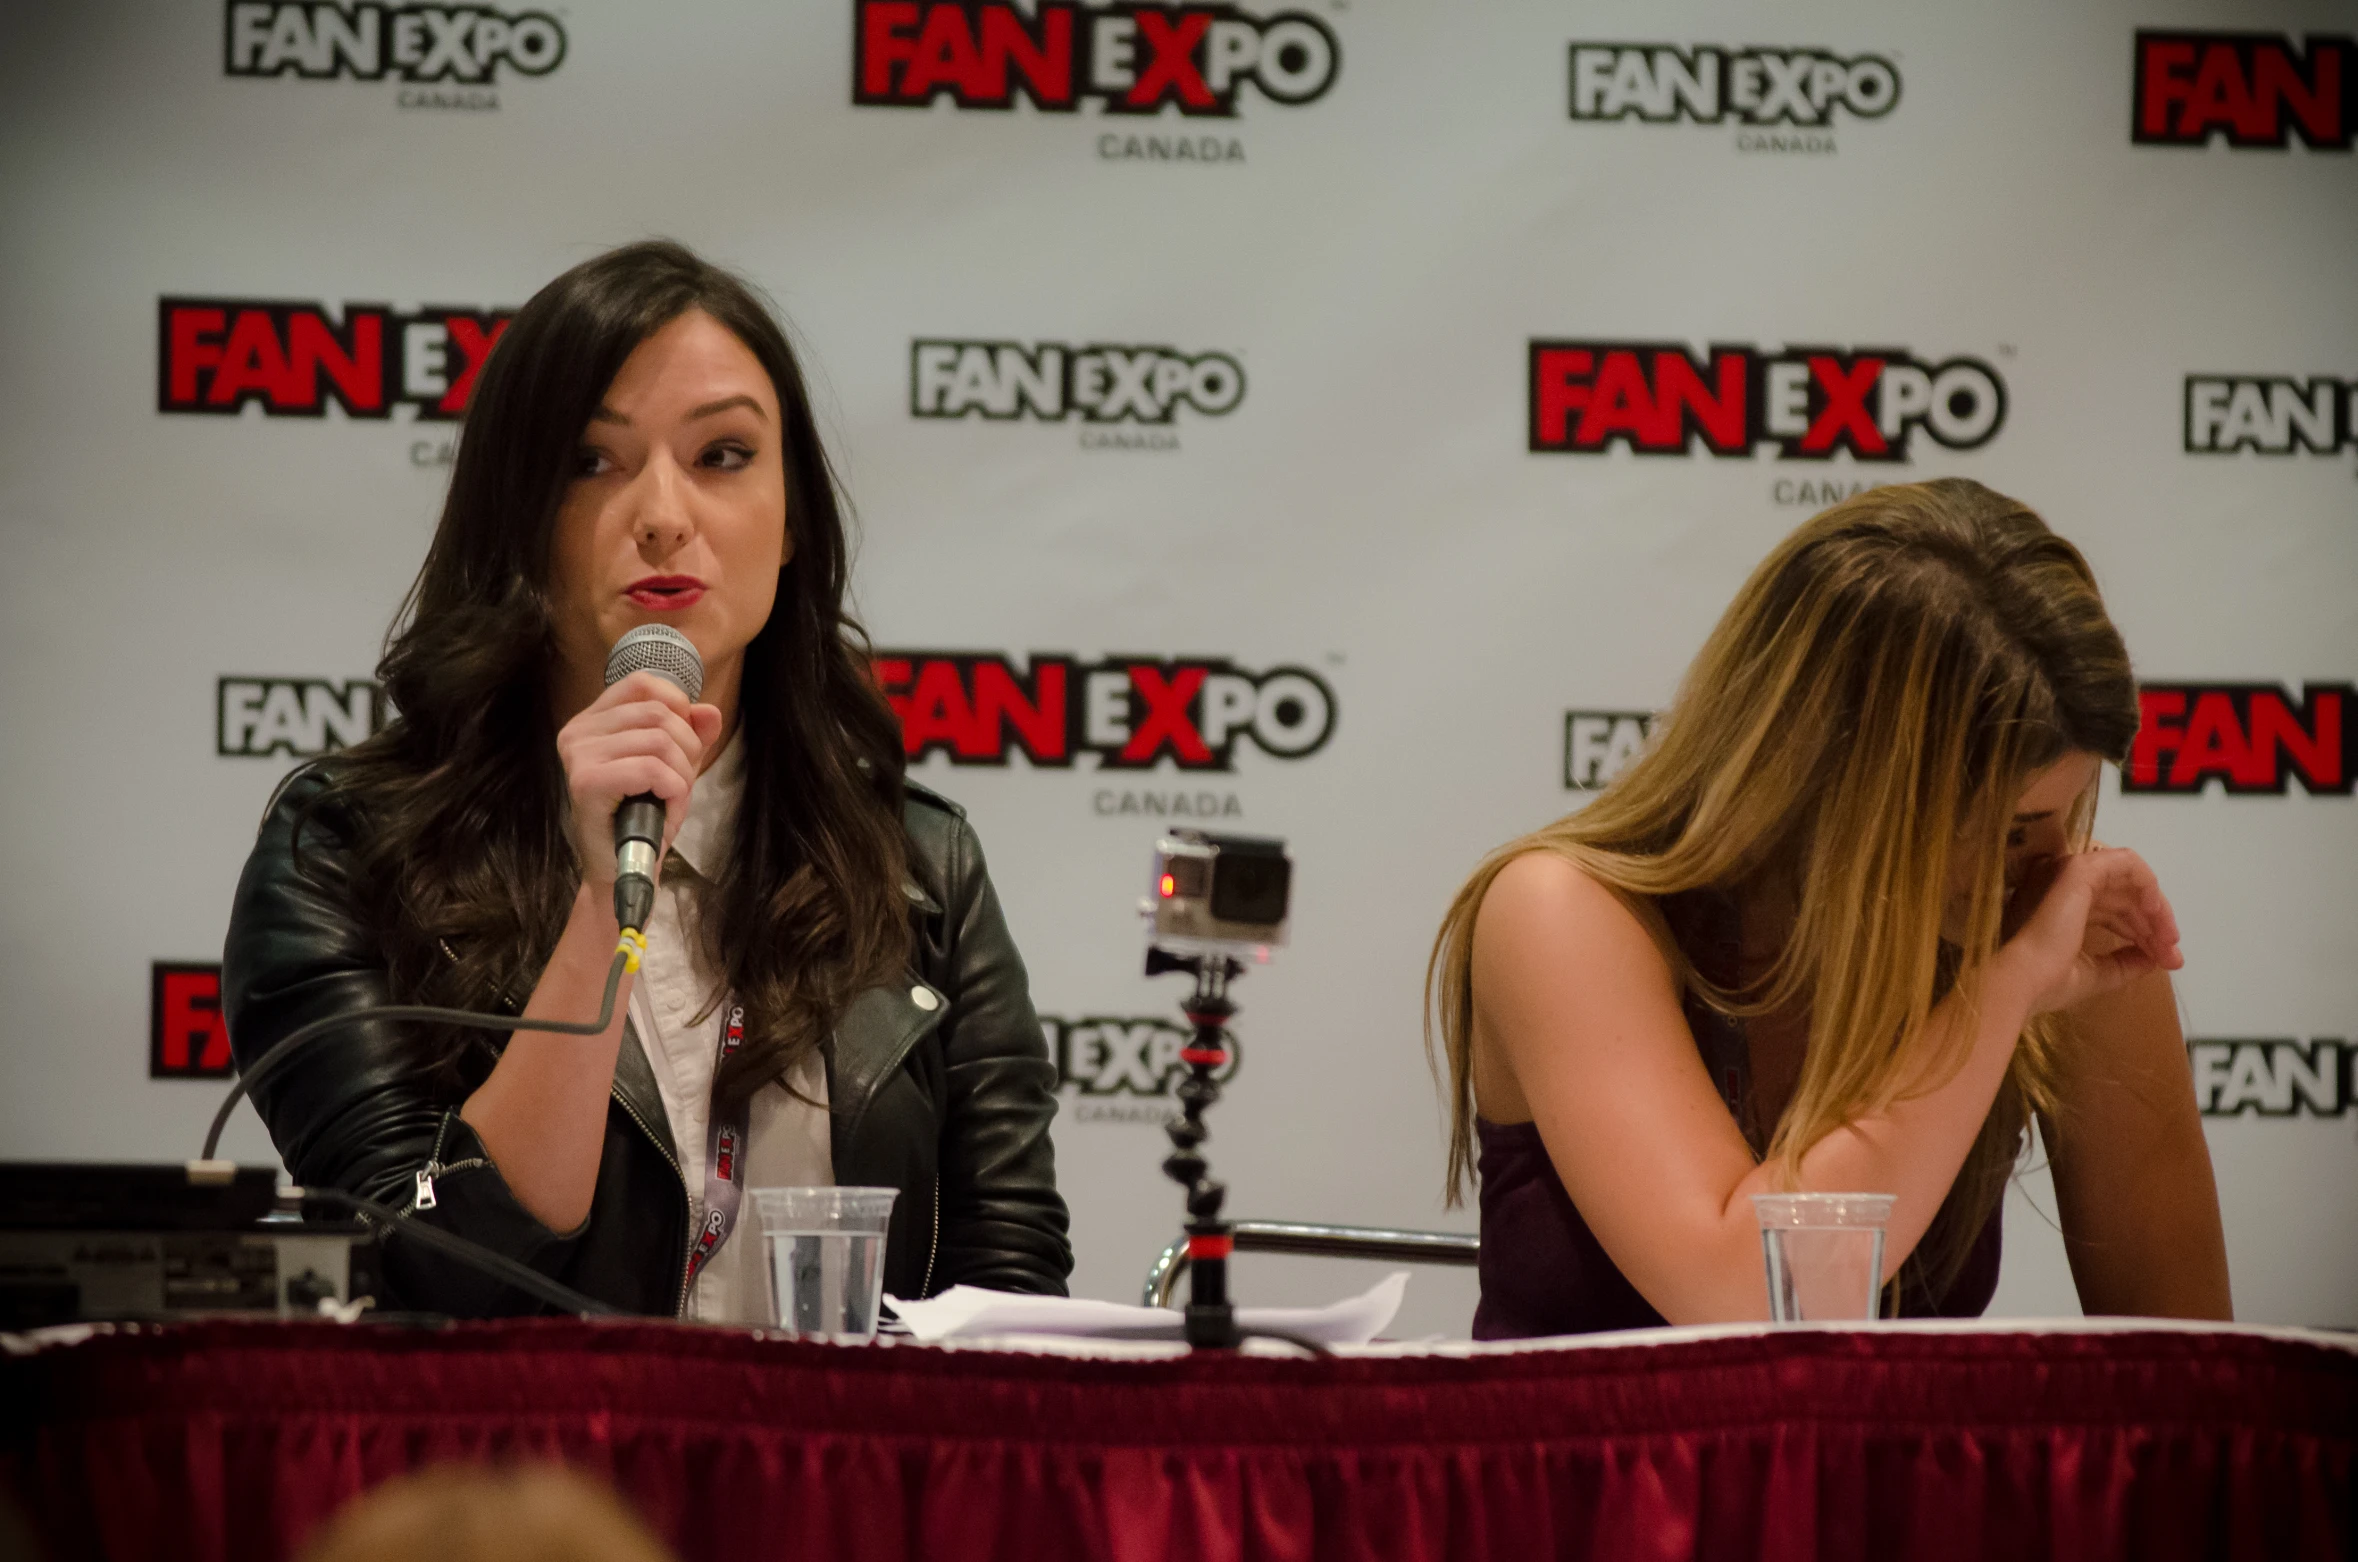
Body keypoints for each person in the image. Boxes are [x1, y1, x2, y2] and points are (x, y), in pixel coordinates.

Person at [223, 240, 1070, 1319]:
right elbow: (431, 1266)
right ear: (516, 515)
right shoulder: (343, 846)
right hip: (520, 1484)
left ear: (795, 517)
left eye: (722, 455)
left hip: (839, 1476)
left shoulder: (919, 865)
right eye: (591, 460)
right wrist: (595, 901)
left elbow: (1012, 1291)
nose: (664, 512)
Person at [1427, 479, 2232, 1336]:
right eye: (2005, 830)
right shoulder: (1567, 912)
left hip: (1888, 1475)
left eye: (2063, 815)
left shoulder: (2053, 938)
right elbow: (1747, 1296)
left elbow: (2193, 1375)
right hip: (1585, 1469)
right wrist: (2002, 991)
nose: (2044, 866)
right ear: (1844, 795)